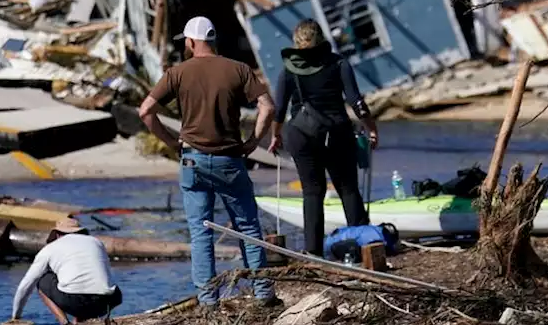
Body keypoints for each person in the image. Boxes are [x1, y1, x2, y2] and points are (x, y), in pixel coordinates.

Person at [138, 16, 278, 307]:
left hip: (192, 161)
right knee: (248, 226)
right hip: (229, 159)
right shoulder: (238, 69)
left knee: (200, 231)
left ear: (190, 42)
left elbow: (146, 111)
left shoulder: (177, 73)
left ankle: (208, 300)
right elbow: (267, 107)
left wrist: (170, 141)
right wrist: (253, 141)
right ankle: (263, 292)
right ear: (213, 41)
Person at [268, 20, 379, 255]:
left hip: (300, 134)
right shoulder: (339, 63)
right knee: (348, 188)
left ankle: (313, 253)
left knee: (312, 192)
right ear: (321, 38)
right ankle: (363, 247)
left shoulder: (288, 70)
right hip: (337, 132)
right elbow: (355, 100)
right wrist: (371, 128)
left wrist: (275, 135)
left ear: (296, 42)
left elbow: (279, 110)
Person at [11, 218, 122, 325]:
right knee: (86, 282)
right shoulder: (97, 242)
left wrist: (16, 316)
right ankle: (81, 322)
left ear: (58, 234)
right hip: (108, 301)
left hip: (74, 301)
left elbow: (25, 285)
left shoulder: (50, 248)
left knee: (42, 280)